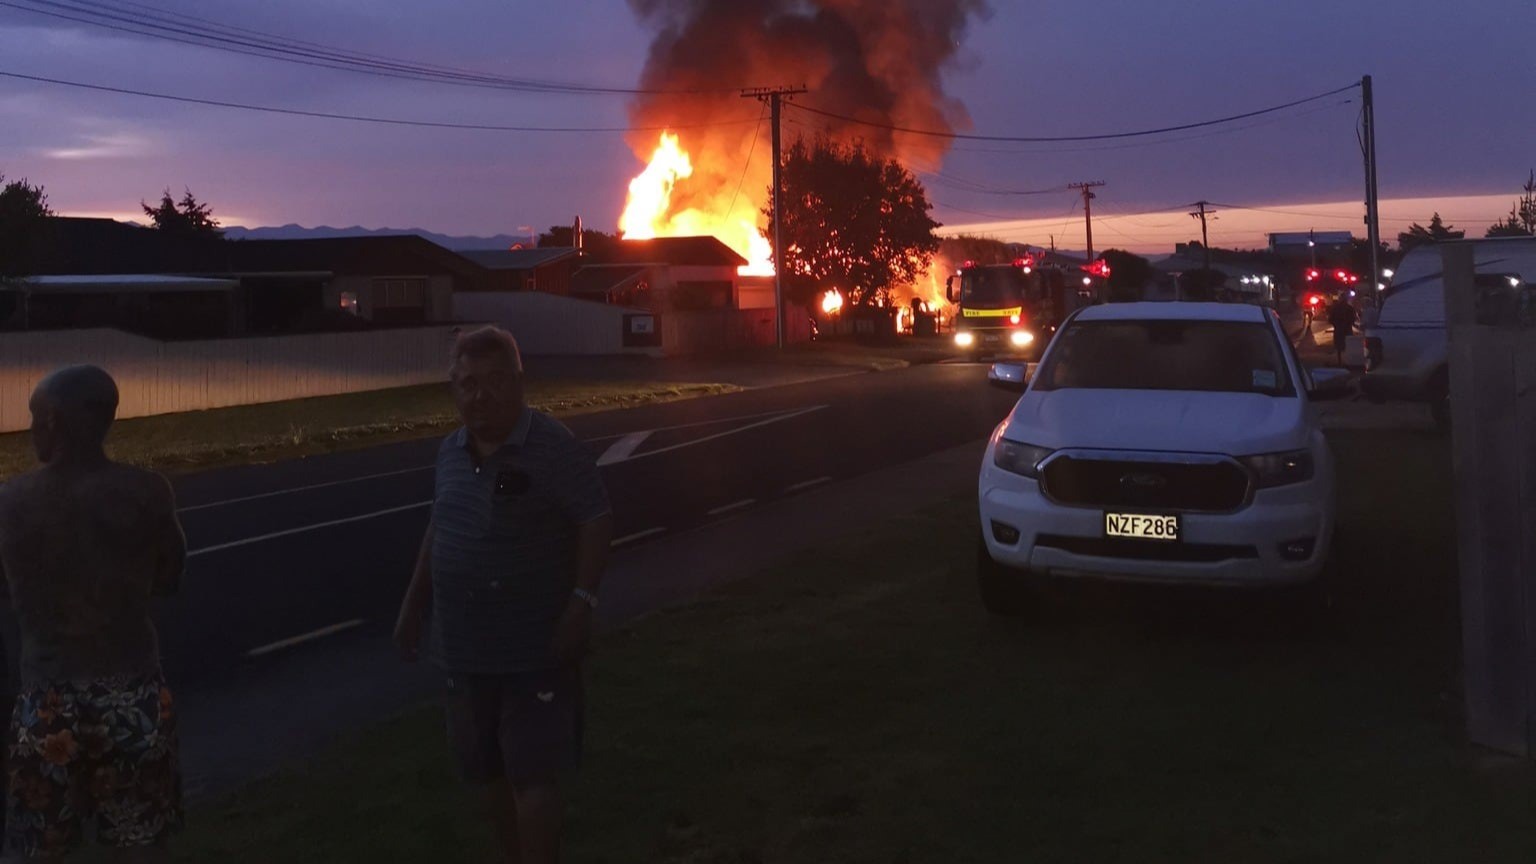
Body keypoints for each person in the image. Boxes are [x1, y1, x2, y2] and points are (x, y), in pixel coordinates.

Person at [394, 326, 612, 864]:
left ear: (519, 381)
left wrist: (582, 602)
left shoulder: (553, 448)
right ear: (453, 389)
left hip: (534, 648)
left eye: (494, 381)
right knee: (487, 770)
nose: (480, 395)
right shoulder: (449, 452)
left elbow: (595, 518)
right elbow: (439, 526)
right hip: (466, 650)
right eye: (466, 383)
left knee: (532, 775)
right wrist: (413, 604)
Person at [0, 365, 185, 862]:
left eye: (36, 417)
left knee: (37, 846)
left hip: (46, 698)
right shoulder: (148, 492)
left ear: (55, 421)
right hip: (132, 691)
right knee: (139, 839)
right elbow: (170, 577)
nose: (31, 427)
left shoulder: (10, 502)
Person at [1327, 295, 1358, 365]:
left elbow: (1330, 319)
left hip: (1338, 329)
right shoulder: (1350, 308)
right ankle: (1348, 360)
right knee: (1348, 345)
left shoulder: (1335, 308)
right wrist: (1349, 323)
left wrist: (1335, 324)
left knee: (1339, 346)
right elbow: (1353, 318)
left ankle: (1340, 361)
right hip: (1347, 329)